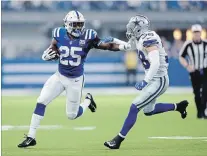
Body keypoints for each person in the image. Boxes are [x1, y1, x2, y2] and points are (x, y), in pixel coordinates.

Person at [18, 10, 130, 148]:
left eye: (80, 24)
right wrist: (47, 54)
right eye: (75, 24)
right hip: (59, 76)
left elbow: (107, 45)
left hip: (75, 80)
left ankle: (88, 101)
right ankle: (31, 137)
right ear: (67, 24)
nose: (78, 27)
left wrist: (122, 46)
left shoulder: (89, 35)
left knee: (72, 115)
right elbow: (53, 46)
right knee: (41, 101)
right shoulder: (59, 33)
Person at [104, 14, 189, 149]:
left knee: (134, 106)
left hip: (159, 80)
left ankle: (117, 140)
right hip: (153, 80)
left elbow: (155, 63)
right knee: (149, 111)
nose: (130, 28)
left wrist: (145, 81)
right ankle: (178, 106)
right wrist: (114, 41)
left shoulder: (148, 37)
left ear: (140, 27)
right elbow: (128, 47)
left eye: (133, 26)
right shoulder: (138, 38)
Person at [179, 24, 207, 119]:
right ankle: (200, 112)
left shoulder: (205, 43)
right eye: (195, 32)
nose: (196, 34)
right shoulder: (188, 44)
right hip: (194, 71)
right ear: (192, 33)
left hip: (204, 70)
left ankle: (203, 111)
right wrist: (187, 65)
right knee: (196, 93)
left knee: (205, 91)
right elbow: (181, 56)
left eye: (198, 32)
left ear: (200, 33)